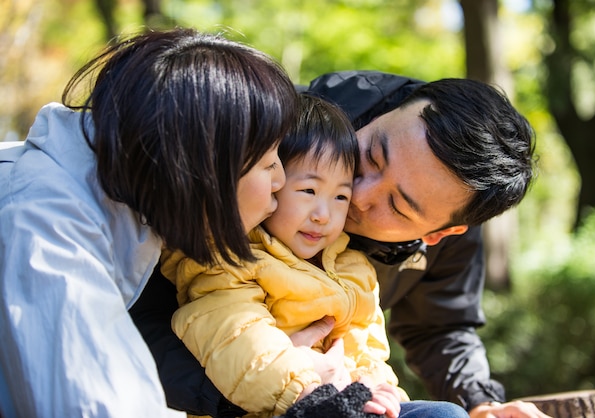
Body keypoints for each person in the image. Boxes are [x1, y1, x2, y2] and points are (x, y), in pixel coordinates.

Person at [131, 72, 548, 418]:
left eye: (398, 207)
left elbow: (439, 324)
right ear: (386, 113)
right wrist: (278, 384)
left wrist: (480, 400)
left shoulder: (450, 209)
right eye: (371, 155)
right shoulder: (270, 137)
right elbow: (137, 310)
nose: (358, 195)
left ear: (437, 233)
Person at [0, 28, 298, 417]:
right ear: (200, 163)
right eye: (266, 160)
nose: (281, 181)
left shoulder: (118, 208)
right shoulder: (48, 227)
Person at [160, 94, 469, 418]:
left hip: (348, 400)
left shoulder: (354, 267)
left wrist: (378, 386)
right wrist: (306, 391)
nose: (325, 214)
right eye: (308, 191)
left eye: (340, 195)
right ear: (272, 177)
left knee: (446, 415)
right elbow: (236, 334)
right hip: (284, 403)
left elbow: (367, 347)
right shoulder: (231, 258)